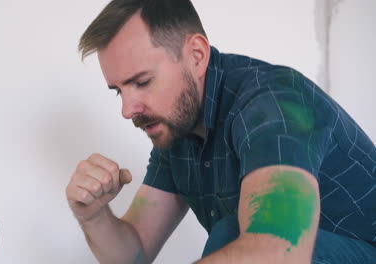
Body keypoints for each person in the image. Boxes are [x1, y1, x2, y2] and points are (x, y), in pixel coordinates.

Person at [65, 0, 376, 263]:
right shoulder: (175, 127)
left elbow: (278, 251)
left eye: (142, 82)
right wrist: (93, 215)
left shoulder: (271, 103)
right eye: (119, 91)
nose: (127, 110)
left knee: (232, 236)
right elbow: (135, 252)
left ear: (197, 56)